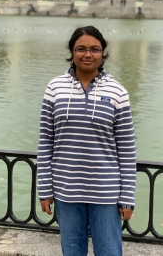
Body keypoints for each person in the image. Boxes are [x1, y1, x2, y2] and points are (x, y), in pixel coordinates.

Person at [37, 26, 137, 256]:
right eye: (81, 49)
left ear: (103, 53)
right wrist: (44, 188)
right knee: (72, 251)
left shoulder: (117, 92)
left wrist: (127, 197)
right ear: (72, 51)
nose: (87, 54)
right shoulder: (54, 88)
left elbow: (127, 149)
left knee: (110, 251)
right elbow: (45, 141)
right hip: (66, 189)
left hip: (106, 192)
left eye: (94, 49)